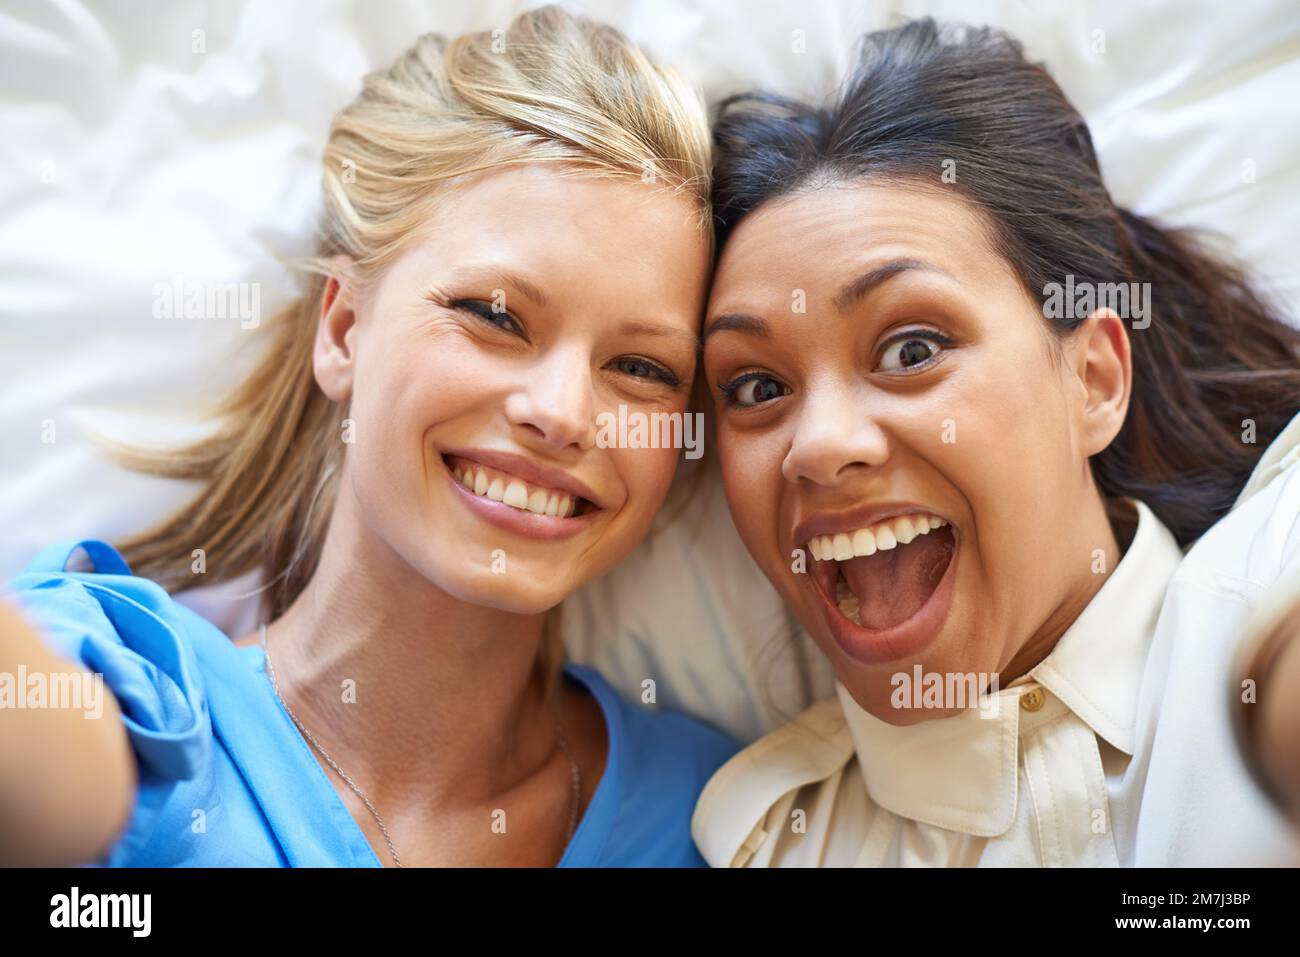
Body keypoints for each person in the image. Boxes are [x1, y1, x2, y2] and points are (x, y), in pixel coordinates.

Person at [0, 5, 737, 868]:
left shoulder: (718, 812)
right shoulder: (121, 686)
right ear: (345, 330)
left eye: (643, 369)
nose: (564, 411)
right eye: (494, 315)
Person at [691, 18, 1300, 866]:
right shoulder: (765, 842)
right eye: (757, 389)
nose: (819, 447)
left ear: (1093, 380)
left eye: (912, 349)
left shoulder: (1274, 570)